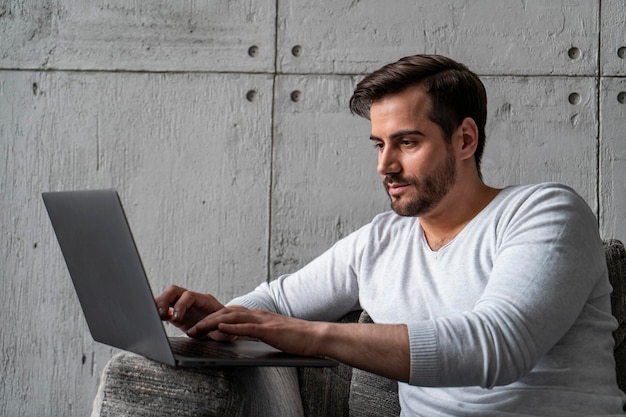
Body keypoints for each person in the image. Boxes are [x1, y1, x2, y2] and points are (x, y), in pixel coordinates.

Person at [156, 54, 626, 416]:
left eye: (407, 142)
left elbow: (497, 346)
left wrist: (311, 335)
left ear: (464, 139)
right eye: (380, 144)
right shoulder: (381, 240)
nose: (385, 166)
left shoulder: (544, 212)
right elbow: (276, 304)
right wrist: (221, 318)